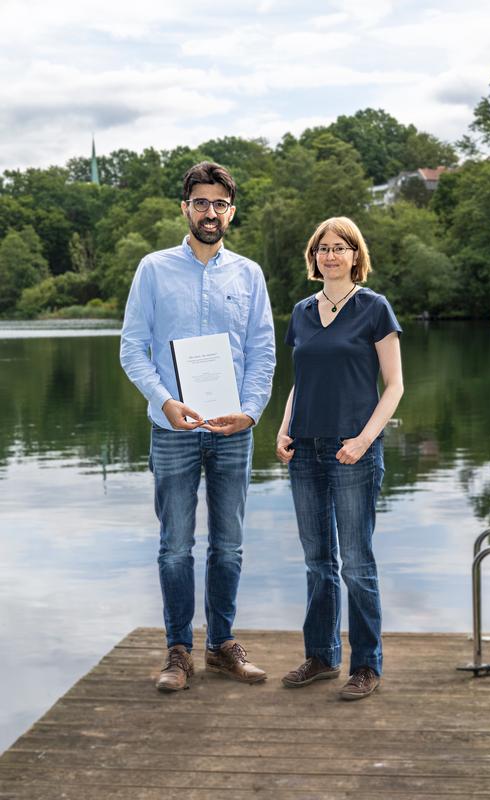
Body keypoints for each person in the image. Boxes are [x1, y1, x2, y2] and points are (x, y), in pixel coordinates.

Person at [120, 161, 275, 691]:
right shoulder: (153, 269)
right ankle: (178, 652)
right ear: (185, 208)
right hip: (174, 431)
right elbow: (131, 350)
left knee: (229, 545)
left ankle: (222, 646)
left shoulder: (249, 274)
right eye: (201, 203)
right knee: (175, 546)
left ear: (232, 212)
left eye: (220, 204)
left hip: (233, 432)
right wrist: (164, 402)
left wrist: (251, 411)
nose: (211, 213)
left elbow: (262, 354)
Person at [276, 216, 403, 700]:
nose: (330, 255)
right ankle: (323, 657)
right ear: (314, 258)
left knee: (357, 563)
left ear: (356, 256)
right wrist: (285, 428)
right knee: (317, 561)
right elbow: (300, 381)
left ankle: (366, 665)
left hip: (355, 449)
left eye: (340, 248)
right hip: (304, 449)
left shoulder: (374, 308)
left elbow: (394, 387)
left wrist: (365, 440)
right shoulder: (302, 311)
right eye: (322, 248)